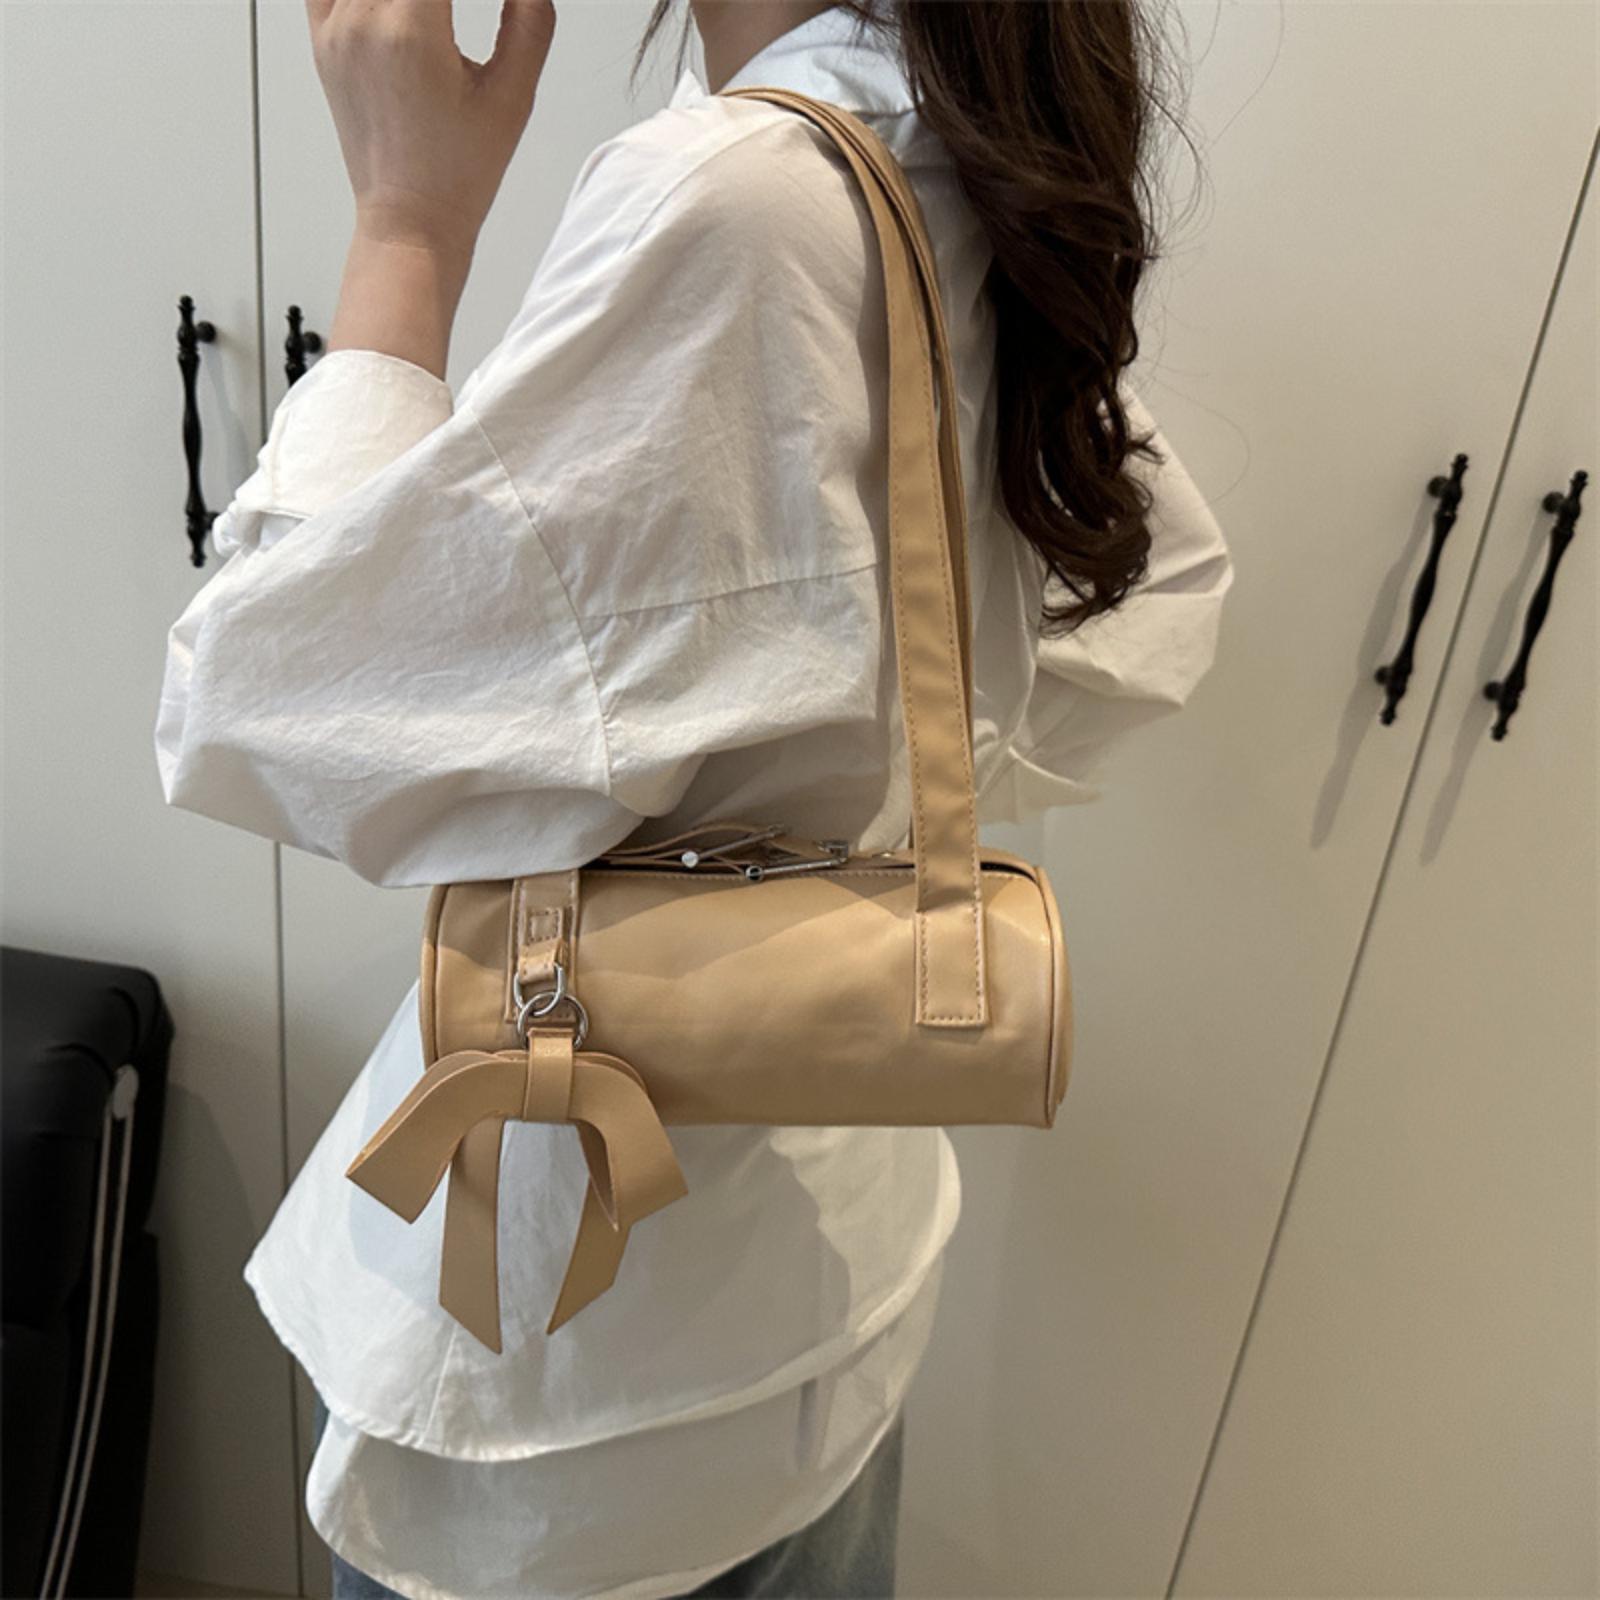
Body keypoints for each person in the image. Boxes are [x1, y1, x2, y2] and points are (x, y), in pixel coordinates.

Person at [154, 0, 1234, 1595]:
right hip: (832, 1276)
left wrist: (405, 230)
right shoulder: (952, 130)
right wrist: (833, 807)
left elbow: (261, 710)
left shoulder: (743, 197)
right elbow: (1150, 605)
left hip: (580, 1405)